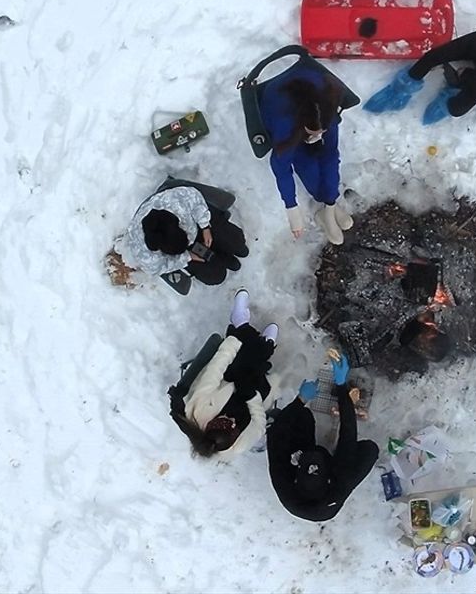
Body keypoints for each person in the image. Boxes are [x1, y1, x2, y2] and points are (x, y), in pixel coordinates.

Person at [363, 11, 476, 125]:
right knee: (433, 56)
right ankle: (401, 89)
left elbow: (475, 90)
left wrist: (465, 75)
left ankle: (446, 99)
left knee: (459, 102)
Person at [267, 353, 379, 522]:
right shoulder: (340, 482)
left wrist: (300, 400)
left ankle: (308, 445)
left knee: (302, 416)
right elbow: (348, 434)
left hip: (309, 462)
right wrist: (340, 385)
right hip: (331, 494)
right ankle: (316, 450)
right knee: (370, 450)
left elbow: (276, 433)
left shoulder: (282, 476)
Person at [169, 289, 280, 460]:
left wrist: (233, 343)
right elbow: (259, 424)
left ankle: (243, 328)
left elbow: (214, 370)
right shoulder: (238, 446)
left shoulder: (200, 411)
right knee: (256, 370)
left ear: (210, 424)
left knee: (244, 358)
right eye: (234, 426)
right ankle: (256, 341)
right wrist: (251, 397)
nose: (233, 421)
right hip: (251, 397)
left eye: (226, 420)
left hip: (227, 380)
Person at [259, 66, 355, 245]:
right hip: (277, 107)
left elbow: (331, 154)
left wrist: (332, 198)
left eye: (321, 132)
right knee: (308, 165)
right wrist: (292, 208)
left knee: (324, 159)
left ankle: (329, 207)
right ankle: (322, 208)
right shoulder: (285, 123)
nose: (318, 136)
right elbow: (282, 167)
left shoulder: (327, 107)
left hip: (307, 97)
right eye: (313, 133)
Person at [121, 184, 249, 286]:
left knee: (236, 240)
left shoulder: (173, 202)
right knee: (215, 275)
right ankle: (220, 257)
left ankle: (226, 250)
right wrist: (186, 257)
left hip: (195, 225)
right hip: (185, 252)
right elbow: (157, 268)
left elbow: (195, 198)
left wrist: (205, 226)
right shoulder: (144, 253)